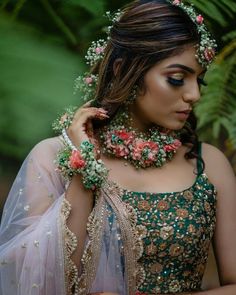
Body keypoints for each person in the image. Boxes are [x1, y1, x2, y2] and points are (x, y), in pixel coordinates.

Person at [0, 0, 236, 294]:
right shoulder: (52, 157)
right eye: (177, 79)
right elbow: (43, 282)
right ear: (127, 70)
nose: (194, 94)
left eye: (199, 80)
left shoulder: (207, 163)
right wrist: (84, 167)